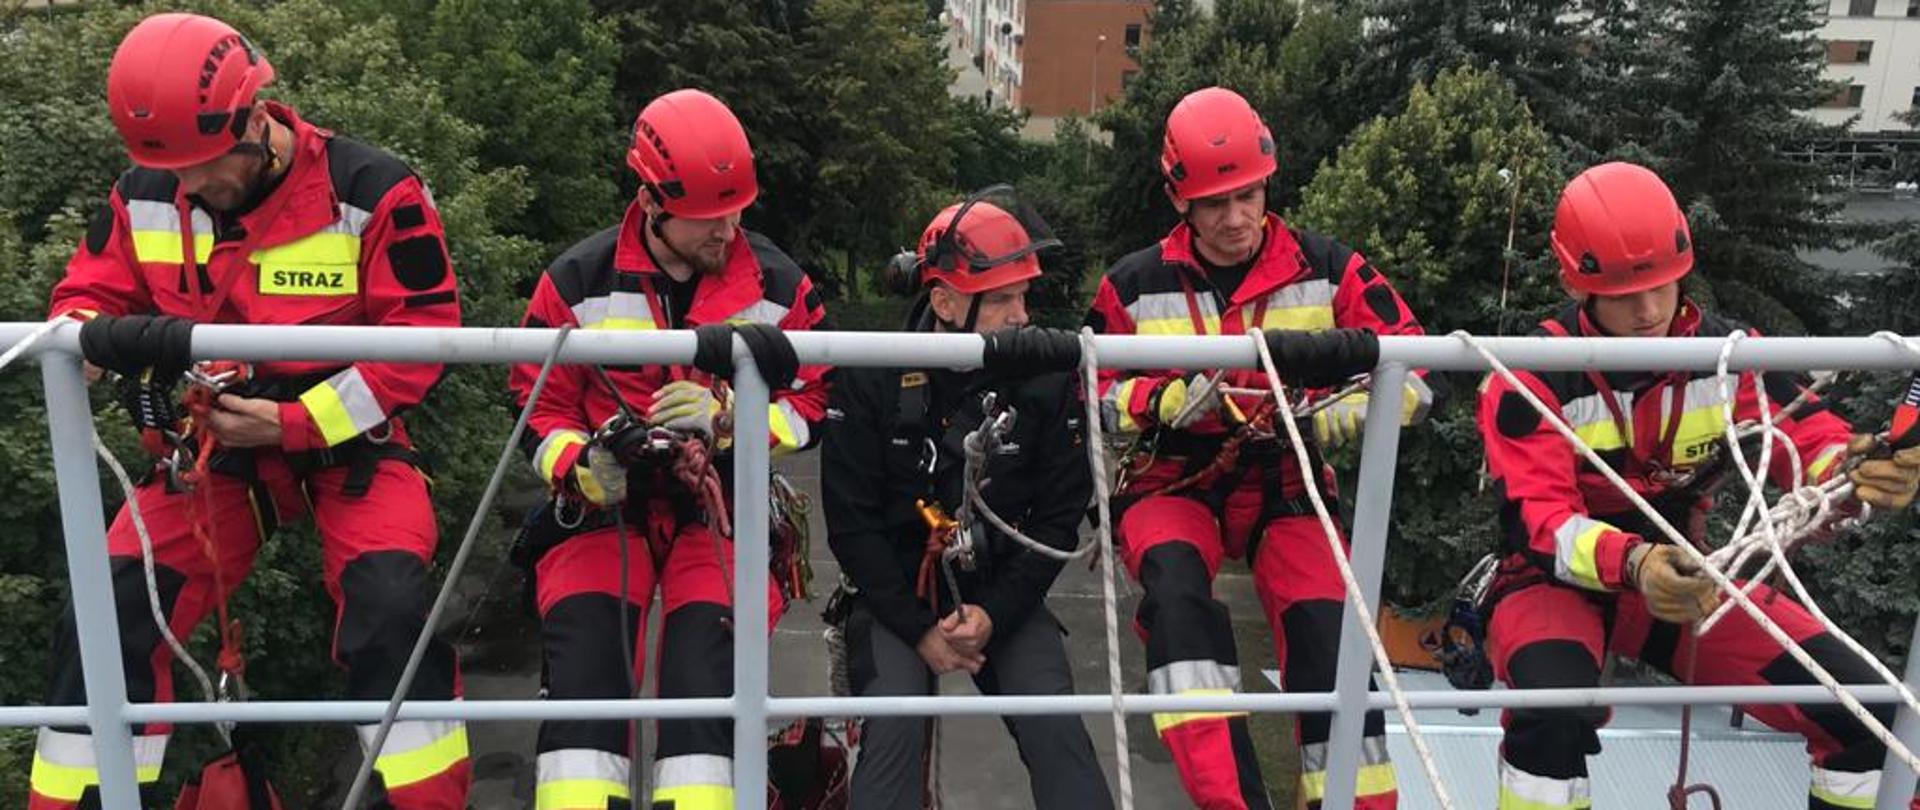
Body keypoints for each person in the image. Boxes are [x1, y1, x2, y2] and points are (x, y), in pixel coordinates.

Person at [34, 13, 468, 808]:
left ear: (257, 121)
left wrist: (294, 423)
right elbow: (88, 293)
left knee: (390, 610)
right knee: (113, 608)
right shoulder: (144, 193)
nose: (190, 187)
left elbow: (424, 338)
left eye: (204, 166)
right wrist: (90, 337)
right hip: (217, 451)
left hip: (351, 445)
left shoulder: (371, 192)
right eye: (175, 170)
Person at [1476, 160, 1920, 810]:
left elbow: (1802, 438)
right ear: (1580, 286)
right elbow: (1546, 524)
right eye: (1627, 293)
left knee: (1867, 714)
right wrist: (1632, 561)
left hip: (1683, 580)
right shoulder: (1534, 377)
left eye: (1661, 284)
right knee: (1553, 714)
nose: (1650, 310)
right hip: (1551, 583)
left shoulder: (1727, 358)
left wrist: (1853, 474)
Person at [1083, 85, 1431, 810]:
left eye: (1248, 196)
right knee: (1179, 604)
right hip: (1172, 481)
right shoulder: (1134, 285)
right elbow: (1089, 391)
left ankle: (1345, 799)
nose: (1237, 218)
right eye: (1216, 203)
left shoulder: (1330, 269)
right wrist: (1157, 401)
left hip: (1286, 475)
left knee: (1328, 634)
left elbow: (1421, 370)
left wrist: (1363, 406)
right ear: (1181, 200)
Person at [505, 88, 830, 810]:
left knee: (704, 676)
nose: (730, 228)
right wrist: (581, 466)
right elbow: (534, 407)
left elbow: (814, 405)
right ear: (652, 202)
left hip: (715, 516)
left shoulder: (779, 290)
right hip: (602, 513)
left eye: (738, 209)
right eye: (711, 216)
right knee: (587, 674)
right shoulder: (577, 284)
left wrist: (735, 421)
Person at [821, 187, 1114, 808]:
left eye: (1024, 297)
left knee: (1056, 727)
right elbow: (851, 525)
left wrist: (994, 615)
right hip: (894, 596)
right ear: (945, 301)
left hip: (1003, 590)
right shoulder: (870, 374)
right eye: (1003, 298)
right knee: (894, 729)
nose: (1020, 316)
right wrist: (918, 628)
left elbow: (1060, 519)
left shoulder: (1046, 377)